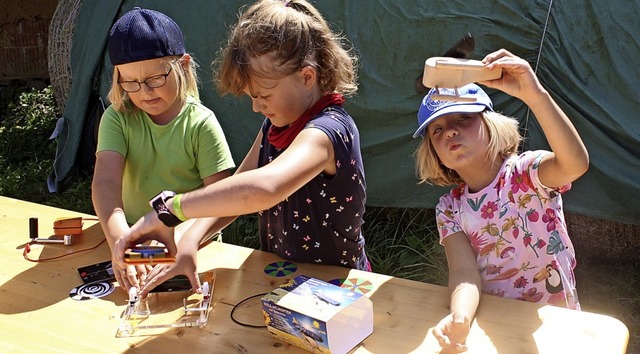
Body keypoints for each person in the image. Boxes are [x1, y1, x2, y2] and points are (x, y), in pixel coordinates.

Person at [113, 0, 370, 298]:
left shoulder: (328, 131)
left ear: (306, 77)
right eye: (251, 96)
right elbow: (238, 187)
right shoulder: (275, 127)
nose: (256, 106)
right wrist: (190, 241)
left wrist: (172, 209)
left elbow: (263, 188)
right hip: (284, 282)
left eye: (263, 95)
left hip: (336, 288)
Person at [412, 49, 589, 352]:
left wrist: (535, 96)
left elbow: (574, 164)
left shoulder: (527, 171)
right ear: (434, 153)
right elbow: (464, 273)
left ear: (490, 123)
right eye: (437, 129)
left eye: (464, 117)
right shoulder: (449, 209)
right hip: (493, 321)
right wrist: (460, 317)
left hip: (554, 316)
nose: (451, 130)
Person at [92, 7, 235, 294]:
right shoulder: (117, 118)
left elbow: (223, 200)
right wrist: (123, 240)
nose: (144, 92)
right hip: (135, 238)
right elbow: (105, 182)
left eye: (155, 79)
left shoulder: (201, 124)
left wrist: (180, 236)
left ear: (183, 65)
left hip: (191, 241)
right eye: (130, 82)